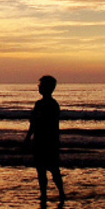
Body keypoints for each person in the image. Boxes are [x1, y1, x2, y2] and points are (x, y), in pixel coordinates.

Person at [24, 74, 66, 202]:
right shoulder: (41, 104)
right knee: (42, 169)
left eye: (41, 85)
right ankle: (45, 194)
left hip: (48, 140)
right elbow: (33, 123)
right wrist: (28, 138)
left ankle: (60, 194)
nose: (39, 87)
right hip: (41, 140)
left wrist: (28, 138)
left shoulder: (52, 105)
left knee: (52, 169)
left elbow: (48, 124)